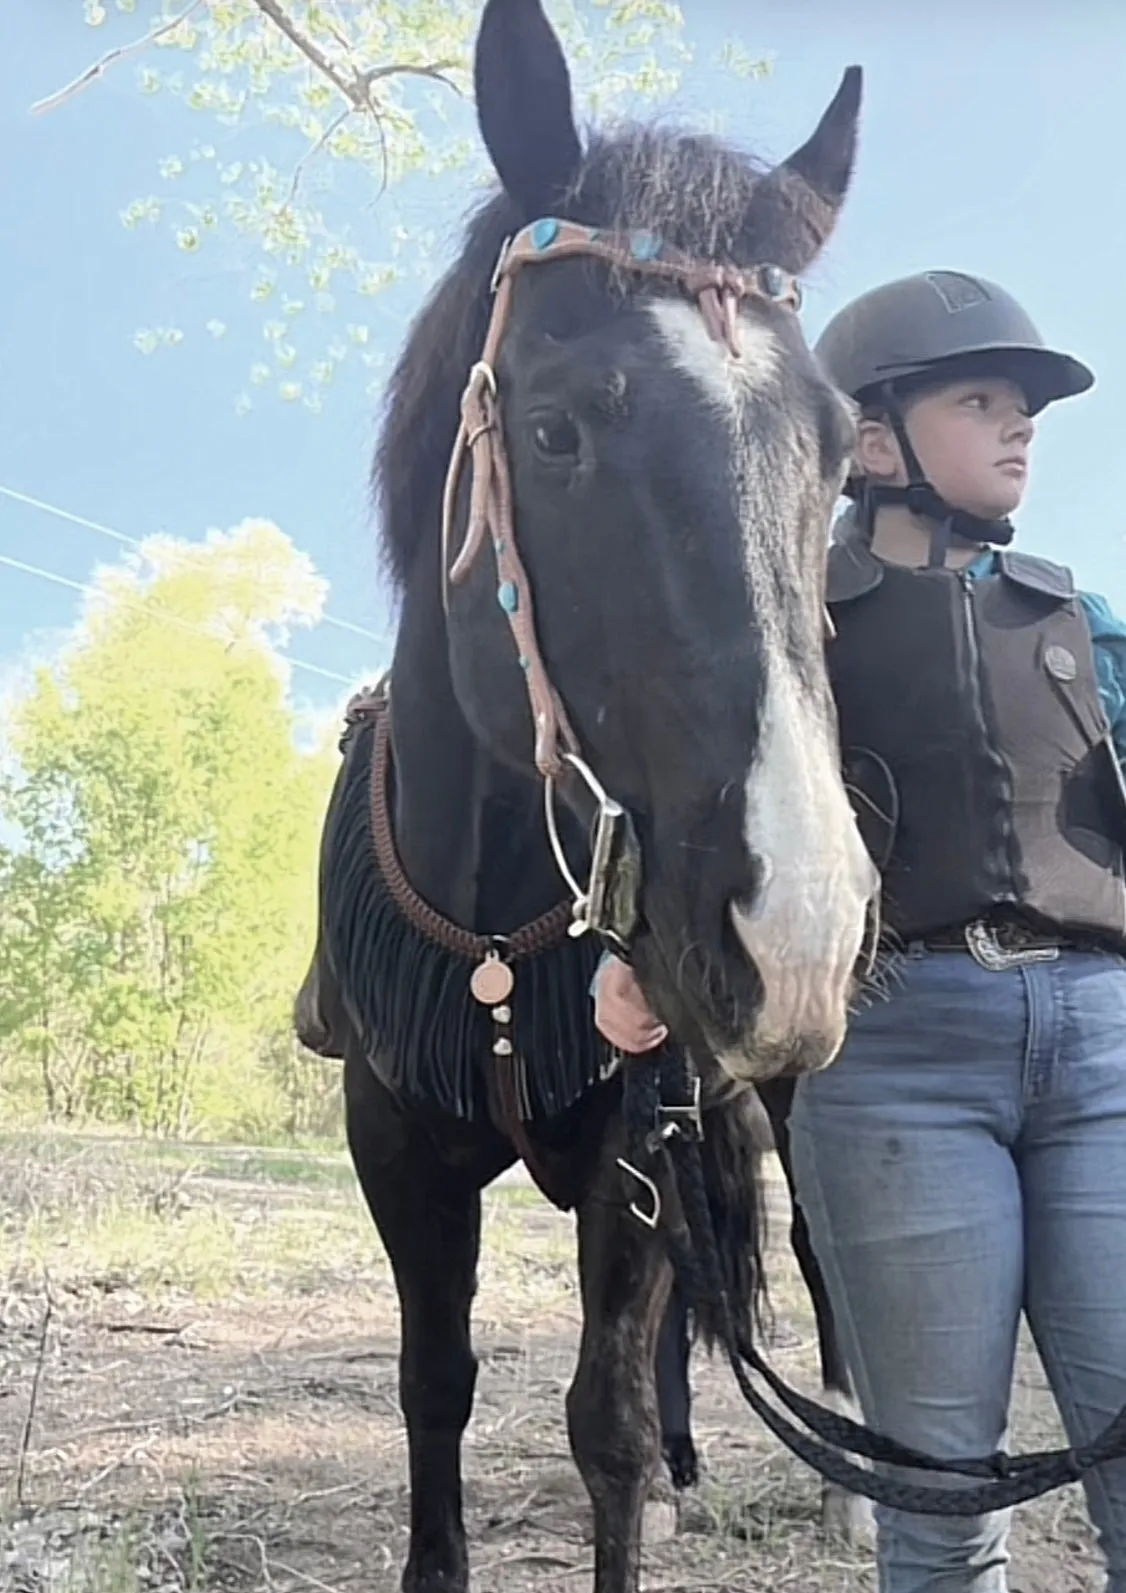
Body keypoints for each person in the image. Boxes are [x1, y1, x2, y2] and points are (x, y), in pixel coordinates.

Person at [592, 269, 1126, 1593]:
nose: (1021, 427)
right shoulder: (782, 628)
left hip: (1109, 1048)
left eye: (1027, 407)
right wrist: (631, 950)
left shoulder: (1084, 621)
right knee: (940, 1498)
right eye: (981, 399)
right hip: (898, 1057)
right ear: (871, 437)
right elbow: (691, 801)